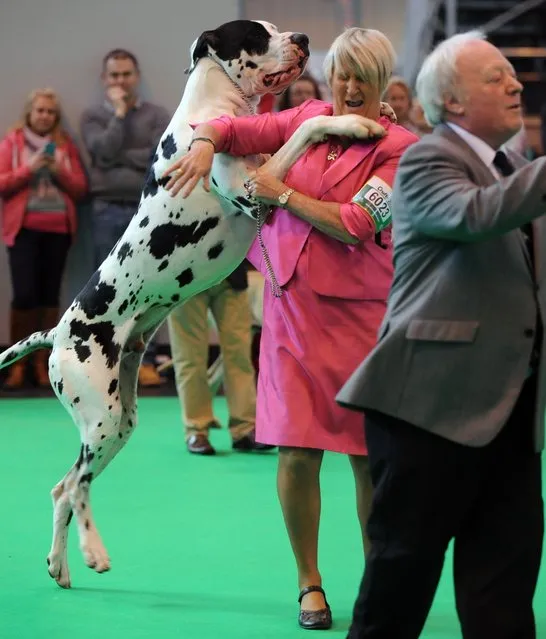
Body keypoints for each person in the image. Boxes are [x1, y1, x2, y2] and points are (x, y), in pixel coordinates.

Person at [163, 27, 417, 630]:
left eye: (363, 77)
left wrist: (280, 192)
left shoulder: (400, 147)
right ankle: (310, 585)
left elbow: (357, 222)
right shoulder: (306, 116)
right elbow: (236, 129)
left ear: (383, 83)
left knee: (364, 460)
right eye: (342, 75)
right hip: (288, 311)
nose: (350, 87)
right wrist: (204, 141)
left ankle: (375, 581)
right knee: (297, 453)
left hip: (362, 322)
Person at [337, 31, 545, 639]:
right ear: (452, 102)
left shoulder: (516, 169)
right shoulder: (429, 158)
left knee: (503, 593)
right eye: (497, 76)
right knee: (399, 586)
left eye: (514, 74)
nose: (516, 84)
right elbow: (471, 216)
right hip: (426, 406)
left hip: (509, 410)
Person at [80, 48, 170, 387]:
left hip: (147, 209)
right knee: (107, 286)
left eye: (126, 74)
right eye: (114, 75)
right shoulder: (91, 115)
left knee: (148, 283)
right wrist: (118, 115)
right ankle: (105, 359)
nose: (121, 81)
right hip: (104, 210)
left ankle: (146, 360)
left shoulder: (157, 114)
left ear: (137, 76)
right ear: (105, 80)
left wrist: (116, 158)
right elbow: (100, 151)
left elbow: (155, 155)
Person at [0, 88, 87, 390]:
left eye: (50, 111)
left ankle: (43, 363)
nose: (45, 116)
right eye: (40, 110)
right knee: (24, 296)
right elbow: (2, 183)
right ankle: (17, 363)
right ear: (30, 112)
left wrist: (58, 171)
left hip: (58, 231)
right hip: (23, 230)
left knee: (50, 297)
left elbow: (80, 188)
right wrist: (29, 169)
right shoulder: (12, 143)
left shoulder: (65, 146)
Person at [167, 261, 274, 454]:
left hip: (230, 274)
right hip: (184, 274)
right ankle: (196, 429)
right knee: (189, 357)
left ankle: (244, 428)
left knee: (240, 355)